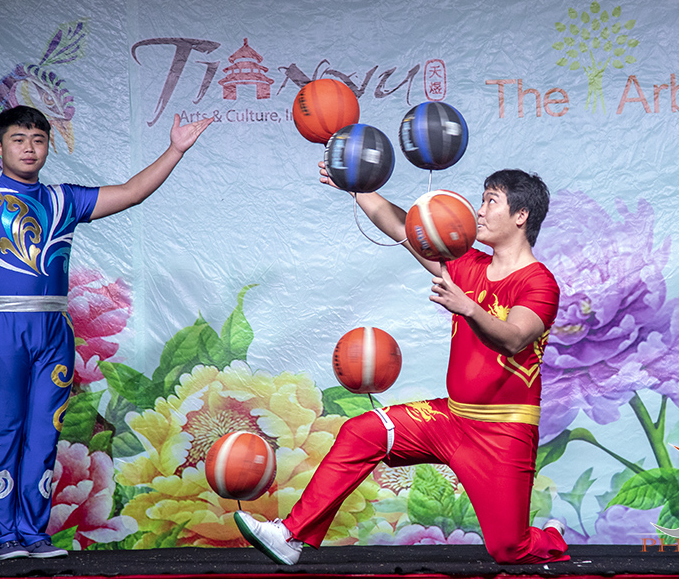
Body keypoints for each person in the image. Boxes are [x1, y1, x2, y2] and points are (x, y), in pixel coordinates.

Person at [234, 165, 568, 565]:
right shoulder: (466, 266)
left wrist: (468, 307)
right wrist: (355, 187)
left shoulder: (539, 283)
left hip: (503, 431)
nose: (479, 211)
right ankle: (290, 535)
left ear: (521, 215)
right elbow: (402, 228)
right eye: (481, 200)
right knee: (362, 432)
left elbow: (514, 339)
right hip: (450, 419)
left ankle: (550, 536)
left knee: (509, 550)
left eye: (491, 201)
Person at [0, 105, 212, 560]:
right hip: (3, 328)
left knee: (45, 432)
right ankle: (1, 534)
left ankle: (33, 532)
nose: (29, 148)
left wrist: (175, 150)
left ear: (48, 146)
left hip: (54, 330)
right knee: (5, 427)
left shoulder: (62, 200)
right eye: (18, 140)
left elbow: (131, 193)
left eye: (38, 140)